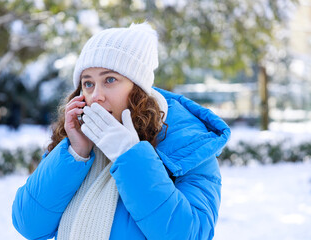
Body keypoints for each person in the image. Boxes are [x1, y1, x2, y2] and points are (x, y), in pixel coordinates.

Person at [12, 22, 230, 240]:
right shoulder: (77, 143)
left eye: (110, 80)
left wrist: (130, 156)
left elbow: (189, 235)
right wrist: (75, 153)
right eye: (88, 83)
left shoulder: (188, 146)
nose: (96, 95)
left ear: (138, 88)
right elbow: (29, 225)